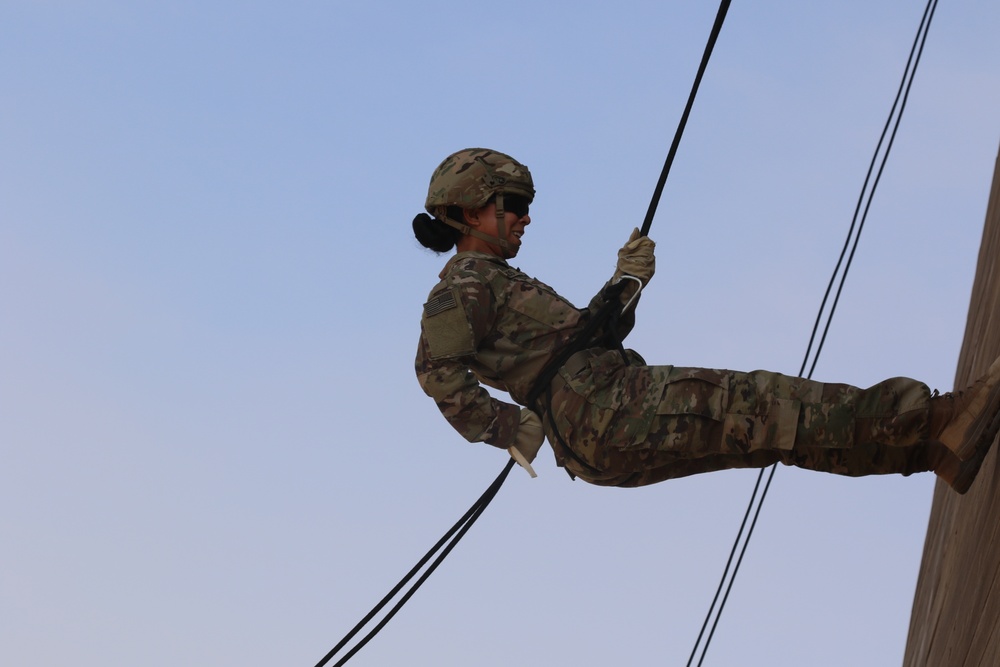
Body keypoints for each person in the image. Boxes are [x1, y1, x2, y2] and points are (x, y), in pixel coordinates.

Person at [413, 147, 1000, 494]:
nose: (523, 218)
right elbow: (434, 366)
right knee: (767, 404)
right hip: (604, 406)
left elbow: (583, 342)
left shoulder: (497, 283)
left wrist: (627, 280)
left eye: (525, 207)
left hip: (594, 425)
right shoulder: (465, 284)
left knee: (769, 437)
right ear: (469, 211)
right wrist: (503, 427)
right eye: (511, 206)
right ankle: (945, 417)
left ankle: (929, 451)